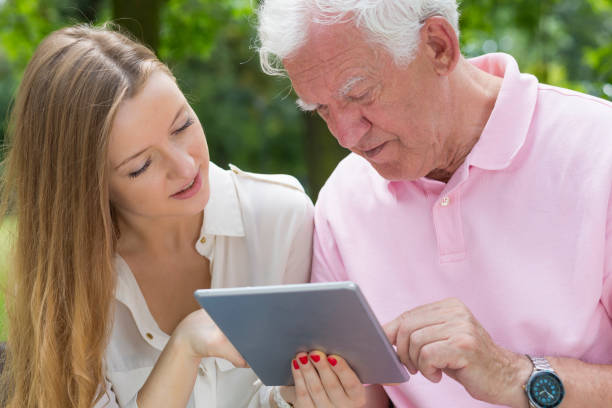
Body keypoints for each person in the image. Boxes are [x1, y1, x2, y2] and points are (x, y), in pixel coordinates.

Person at [256, 0, 612, 407]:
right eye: (321, 109)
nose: (345, 136)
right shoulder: (343, 198)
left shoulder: (600, 152)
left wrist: (511, 375)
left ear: (438, 46)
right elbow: (373, 399)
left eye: (359, 94)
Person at [0, 24, 368, 408]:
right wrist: (183, 349)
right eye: (141, 166)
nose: (185, 165)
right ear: (89, 188)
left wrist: (304, 396)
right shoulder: (66, 283)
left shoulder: (282, 220)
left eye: (183, 125)